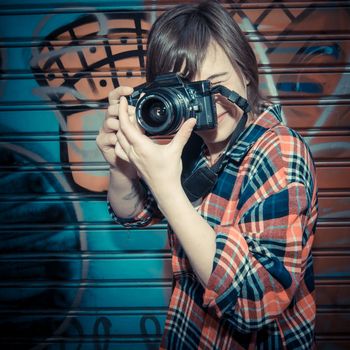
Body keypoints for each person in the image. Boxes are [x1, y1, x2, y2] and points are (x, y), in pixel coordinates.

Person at [96, 1, 318, 349]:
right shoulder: (190, 145)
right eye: (189, 91)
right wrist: (121, 166)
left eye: (215, 84)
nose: (207, 104)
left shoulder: (278, 150)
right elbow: (133, 215)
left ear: (246, 71)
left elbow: (255, 301)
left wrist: (166, 186)